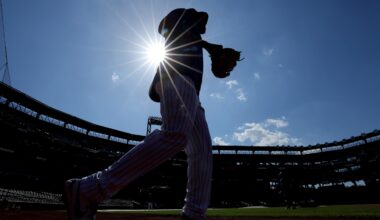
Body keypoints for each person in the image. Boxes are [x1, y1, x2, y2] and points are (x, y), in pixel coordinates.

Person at [63, 8, 241, 220]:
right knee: (175, 134)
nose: (204, 28)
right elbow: (173, 25)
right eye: (201, 24)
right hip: (176, 74)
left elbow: (191, 33)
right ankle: (88, 189)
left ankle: (194, 213)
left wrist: (210, 47)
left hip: (190, 86)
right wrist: (208, 42)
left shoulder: (191, 35)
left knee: (202, 149)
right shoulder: (184, 19)